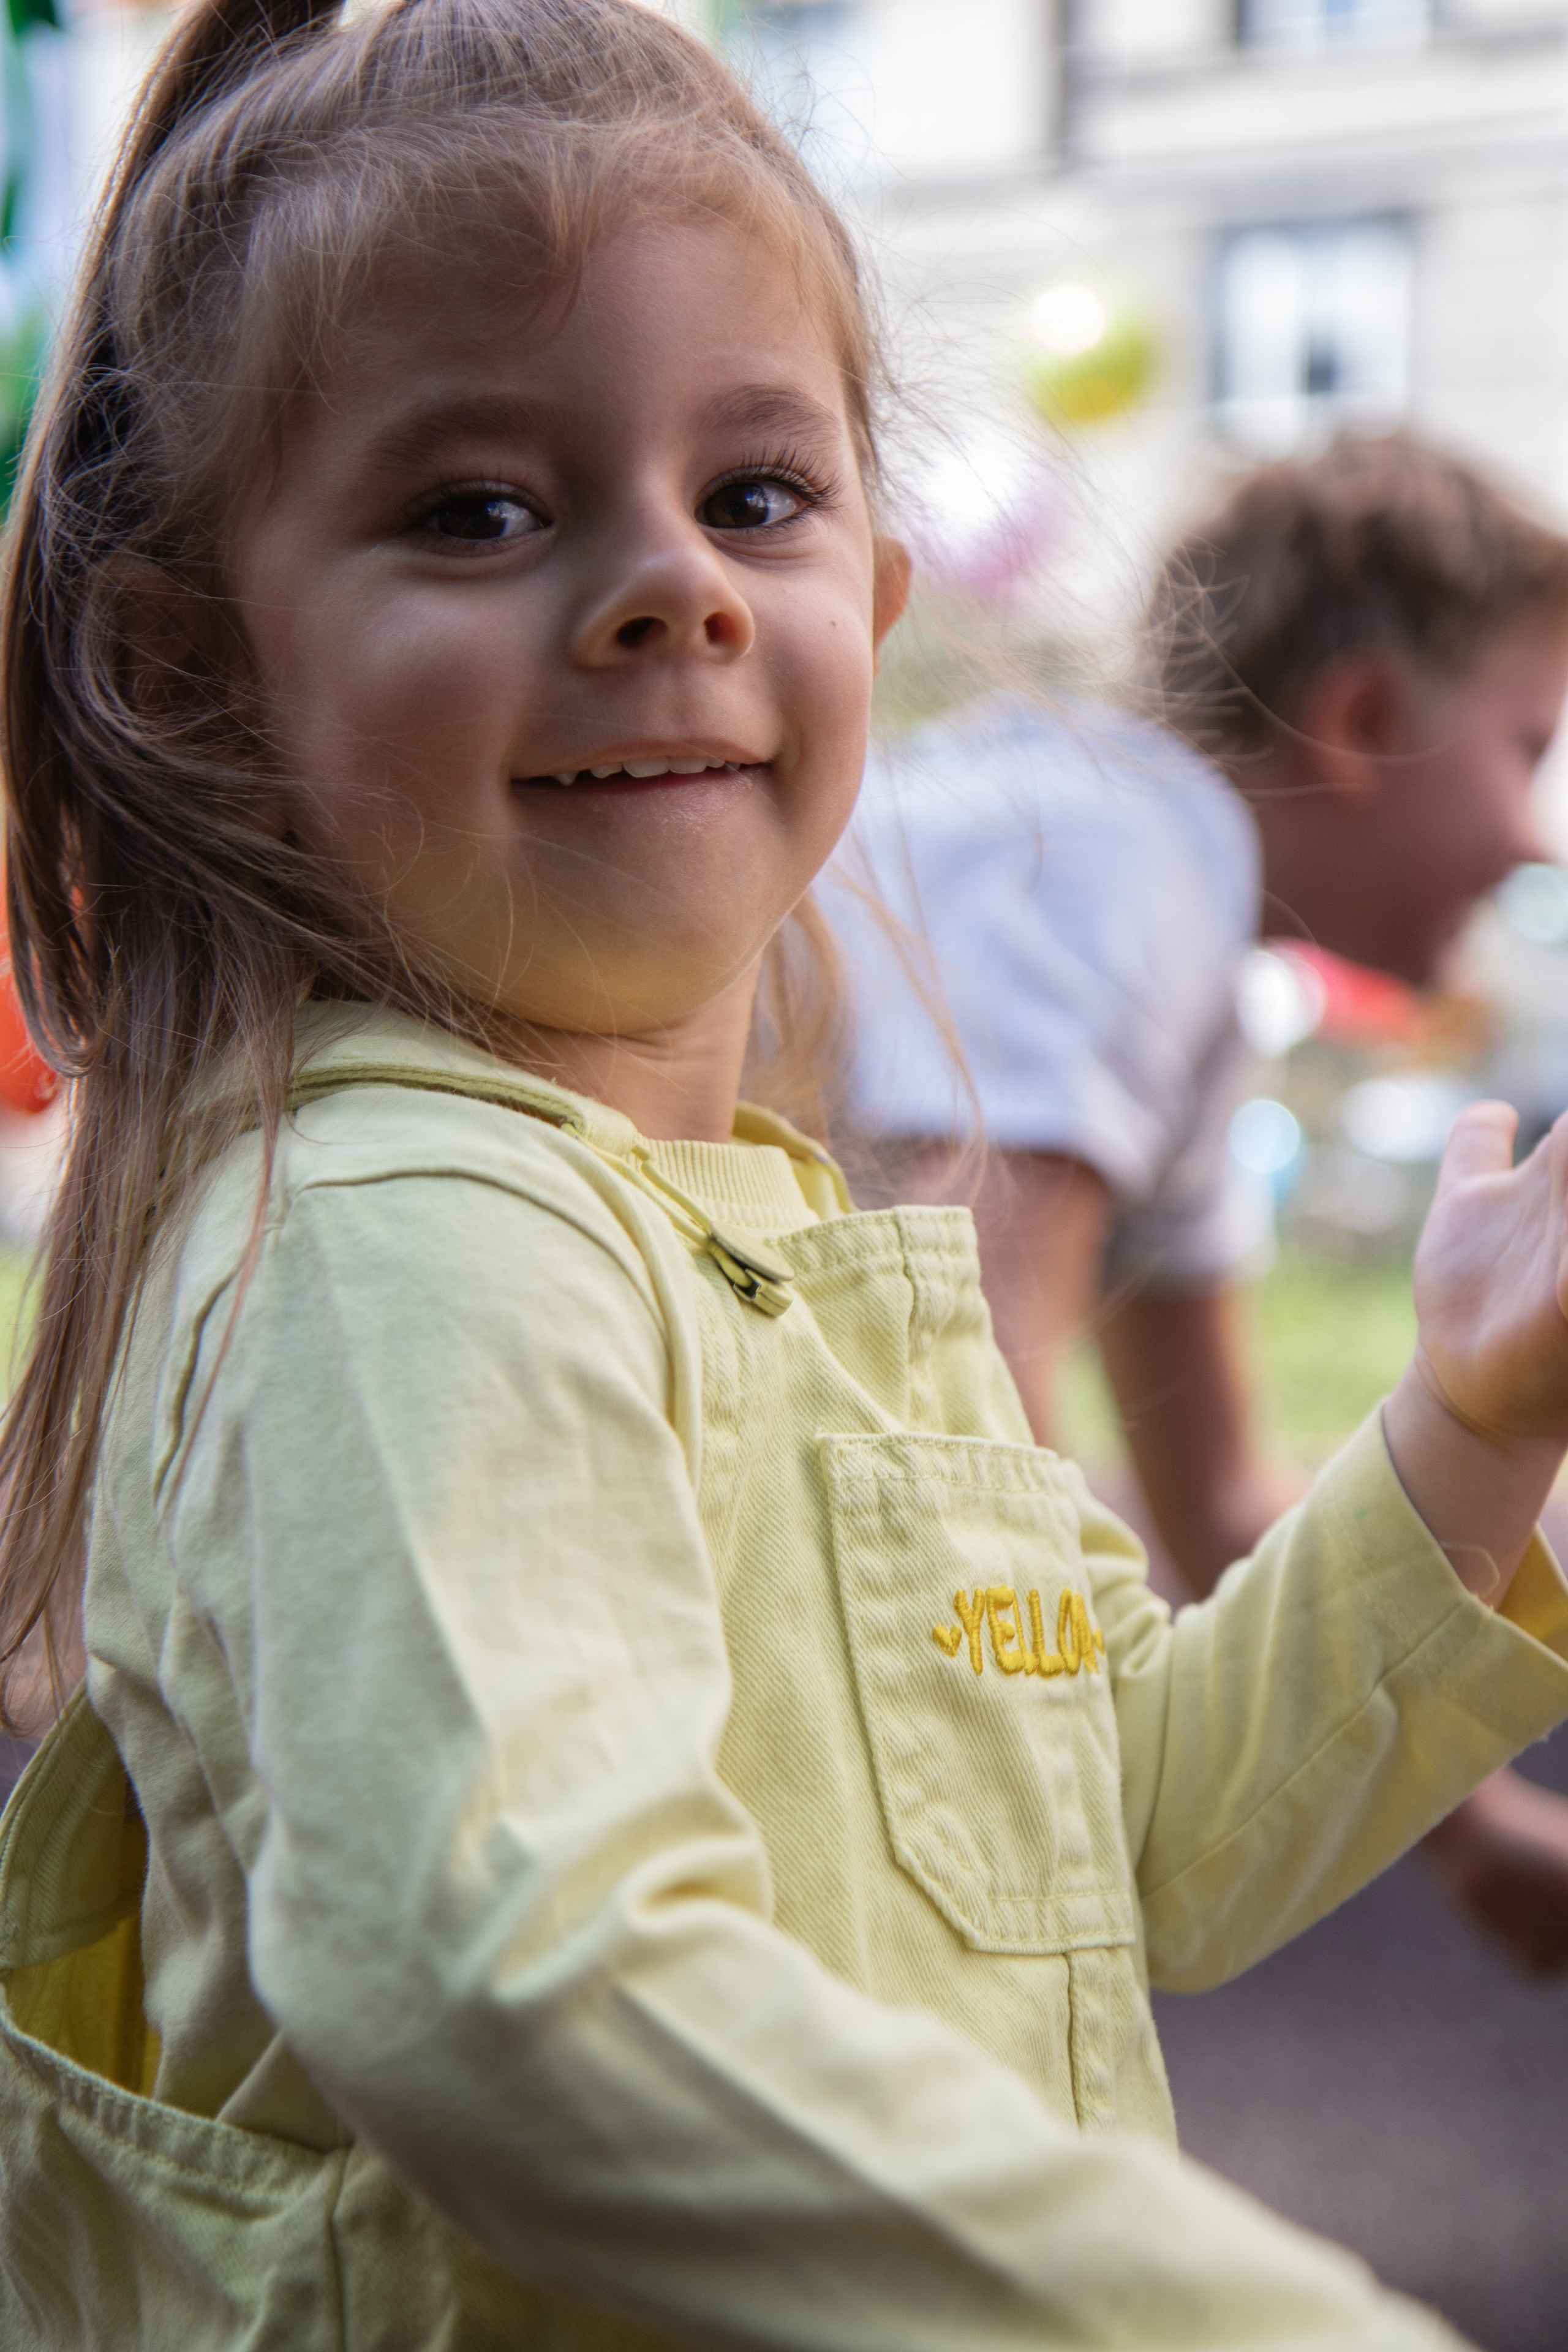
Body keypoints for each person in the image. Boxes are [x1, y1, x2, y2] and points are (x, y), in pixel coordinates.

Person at [2, 9, 1568, 2345]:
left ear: (879, 603)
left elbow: (1114, 1840)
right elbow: (523, 1986)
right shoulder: (401, 1238)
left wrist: (1466, 1425)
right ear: (201, 676)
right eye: (479, 510)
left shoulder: (765, 1242)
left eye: (753, 496)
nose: (675, 589)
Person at [827, 435, 1568, 1972]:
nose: (1534, 833)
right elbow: (964, 1378)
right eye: (1527, 748)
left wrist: (1470, 1823)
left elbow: (1218, 1499)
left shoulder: (1181, 934)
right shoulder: (1126, 849)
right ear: (1363, 722)